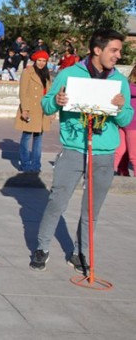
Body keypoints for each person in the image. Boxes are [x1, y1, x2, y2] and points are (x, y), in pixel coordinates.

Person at [30, 29, 133, 273]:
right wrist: (58, 101)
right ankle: (42, 247)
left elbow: (127, 119)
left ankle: (80, 252)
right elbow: (45, 105)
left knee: (91, 209)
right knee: (57, 201)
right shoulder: (69, 74)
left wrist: (120, 108)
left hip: (104, 153)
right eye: (114, 50)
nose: (118, 55)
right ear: (98, 50)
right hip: (74, 149)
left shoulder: (119, 81)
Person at [14, 51, 52, 173]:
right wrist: (25, 109)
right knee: (26, 136)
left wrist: (51, 110)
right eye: (39, 60)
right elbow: (23, 92)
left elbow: (50, 92)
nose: (41, 63)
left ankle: (36, 165)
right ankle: (25, 164)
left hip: (42, 110)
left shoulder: (47, 74)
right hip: (30, 108)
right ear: (35, 60)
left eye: (44, 61)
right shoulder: (27, 72)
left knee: (39, 138)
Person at [113, 67, 136, 176]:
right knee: (118, 152)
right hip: (124, 122)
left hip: (133, 126)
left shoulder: (127, 86)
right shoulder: (126, 85)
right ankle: (117, 174)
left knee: (133, 156)